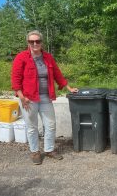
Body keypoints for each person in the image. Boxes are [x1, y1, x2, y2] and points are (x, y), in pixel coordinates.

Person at [11, 30, 78, 165]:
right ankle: (35, 151)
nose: (35, 44)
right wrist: (21, 97)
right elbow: (16, 79)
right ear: (28, 43)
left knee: (50, 125)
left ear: (41, 42)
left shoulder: (47, 57)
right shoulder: (21, 57)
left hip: (46, 97)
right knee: (32, 127)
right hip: (28, 99)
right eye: (32, 41)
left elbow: (57, 74)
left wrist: (68, 87)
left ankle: (49, 149)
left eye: (37, 41)